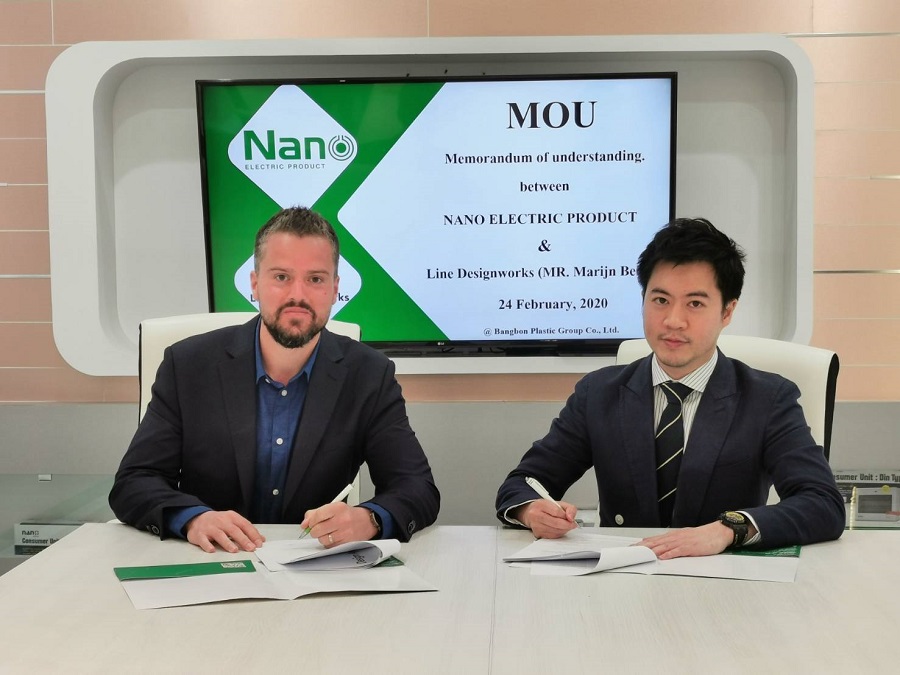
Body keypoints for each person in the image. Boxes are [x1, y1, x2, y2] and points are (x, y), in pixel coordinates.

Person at [496, 217, 844, 558]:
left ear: (727, 312)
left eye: (695, 303)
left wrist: (728, 530)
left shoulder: (767, 399)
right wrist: (532, 510)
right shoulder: (599, 393)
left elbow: (822, 503)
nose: (673, 320)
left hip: (723, 579)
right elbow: (523, 483)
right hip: (624, 576)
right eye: (660, 300)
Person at [110, 207, 439, 553]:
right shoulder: (188, 365)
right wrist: (193, 519)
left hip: (315, 565)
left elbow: (417, 488)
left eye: (315, 279)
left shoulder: (369, 374)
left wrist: (370, 519)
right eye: (281, 277)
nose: (298, 295)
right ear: (255, 284)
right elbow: (135, 481)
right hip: (210, 560)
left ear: (334, 288)